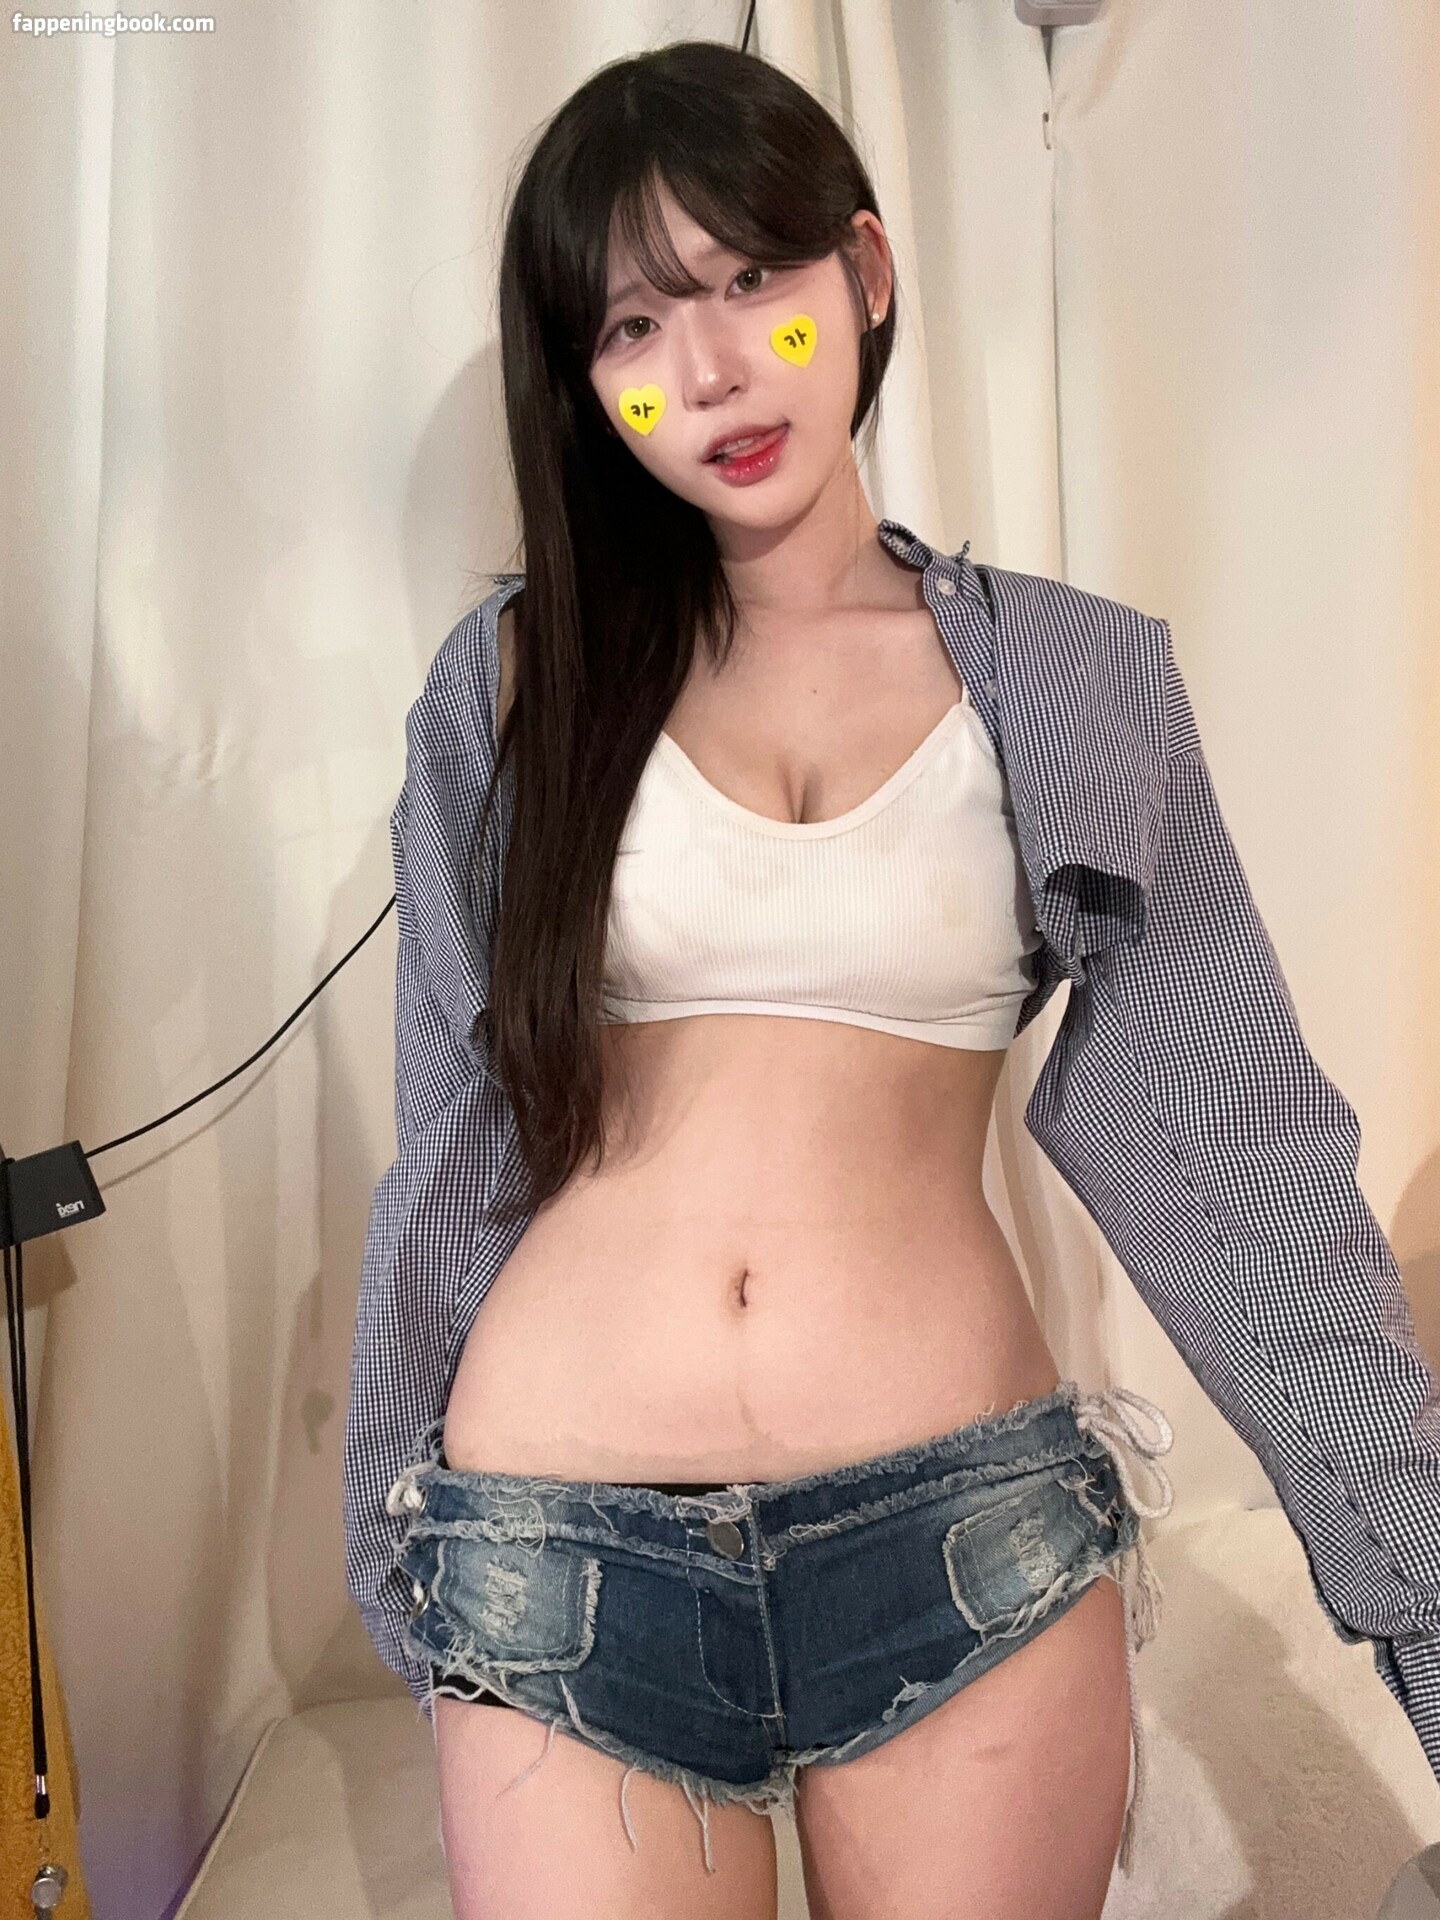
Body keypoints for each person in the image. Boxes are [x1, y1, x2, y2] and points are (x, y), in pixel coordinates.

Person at [345, 40, 1440, 1920]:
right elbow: (452, 1135)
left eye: (749, 283)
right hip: (559, 1548)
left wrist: (1420, 1588)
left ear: (861, 271)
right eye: (632, 327)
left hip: (965, 1534)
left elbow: (1233, 1153)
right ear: (584, 381)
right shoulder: (518, 686)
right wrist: (393, 1530)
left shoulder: (1071, 683)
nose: (707, 371)